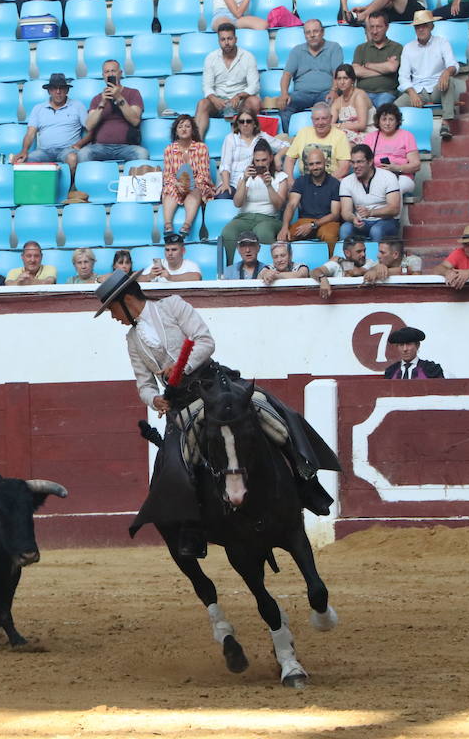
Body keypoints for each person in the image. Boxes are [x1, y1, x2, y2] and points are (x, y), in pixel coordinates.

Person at [93, 267, 339, 560]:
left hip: (215, 386)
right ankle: (192, 527)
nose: (113, 316)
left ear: (125, 300)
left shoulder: (172, 305)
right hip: (183, 404)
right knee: (176, 464)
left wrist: (180, 368)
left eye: (112, 309)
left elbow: (205, 341)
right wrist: (155, 399)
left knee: (275, 414)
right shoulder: (133, 341)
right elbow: (143, 383)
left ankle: (307, 482)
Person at [396, 11, 458, 140]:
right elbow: (403, 76)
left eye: (424, 25)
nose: (421, 29)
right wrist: (412, 93)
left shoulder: (442, 42)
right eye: (418, 26)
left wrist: (446, 72)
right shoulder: (408, 48)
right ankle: (398, 138)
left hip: (438, 87)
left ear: (431, 26)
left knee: (449, 81)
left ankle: (446, 123)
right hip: (417, 90)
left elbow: (453, 64)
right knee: (394, 107)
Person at [76, 60, 150, 165]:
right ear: (103, 75)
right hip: (100, 147)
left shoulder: (133, 93)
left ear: (120, 73)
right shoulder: (97, 98)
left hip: (126, 147)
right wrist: (102, 102)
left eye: (113, 71)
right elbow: (89, 126)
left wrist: (118, 97)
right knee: (83, 153)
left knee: (142, 153)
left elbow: (135, 120)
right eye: (107, 72)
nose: (110, 74)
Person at [13, 74, 86, 179]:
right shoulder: (38, 108)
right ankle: (36, 192)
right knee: (22, 161)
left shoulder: (78, 106)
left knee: (73, 158)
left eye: (61, 88)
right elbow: (30, 133)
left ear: (67, 90)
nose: (58, 91)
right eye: (54, 88)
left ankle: (69, 191)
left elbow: (91, 128)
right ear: (49, 91)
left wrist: (80, 144)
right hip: (45, 151)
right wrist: (24, 150)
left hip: (68, 150)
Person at [219, 141, 290, 248]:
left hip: (269, 218)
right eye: (257, 161)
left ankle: (265, 264)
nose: (260, 164)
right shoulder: (245, 177)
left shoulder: (280, 177)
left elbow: (279, 206)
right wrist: (244, 180)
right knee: (228, 232)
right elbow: (237, 203)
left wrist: (269, 186)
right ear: (253, 160)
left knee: (263, 232)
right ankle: (231, 264)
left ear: (271, 158)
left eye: (264, 160)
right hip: (245, 217)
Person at [195, 26, 262, 139]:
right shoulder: (211, 58)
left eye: (229, 39)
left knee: (255, 101)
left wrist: (239, 96)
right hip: (218, 102)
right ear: (219, 41)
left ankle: (250, 141)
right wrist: (214, 99)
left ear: (236, 39)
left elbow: (254, 86)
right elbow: (207, 86)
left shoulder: (248, 57)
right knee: (202, 104)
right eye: (223, 39)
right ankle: (197, 145)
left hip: (240, 102)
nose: (226, 42)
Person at [279, 19, 343, 131]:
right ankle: (289, 141)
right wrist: (284, 94)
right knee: (285, 106)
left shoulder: (334, 48)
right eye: (308, 32)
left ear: (322, 32)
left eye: (315, 31)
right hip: (302, 94)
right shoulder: (297, 51)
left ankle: (330, 139)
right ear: (304, 35)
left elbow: (337, 73)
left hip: (326, 93)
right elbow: (287, 75)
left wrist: (333, 90)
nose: (312, 35)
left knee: (335, 104)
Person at [160, 114, 214, 239]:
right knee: (169, 188)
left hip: (196, 183)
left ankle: (187, 225)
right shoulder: (169, 149)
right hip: (177, 184)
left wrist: (190, 184)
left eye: (187, 126)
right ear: (176, 131)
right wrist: (177, 184)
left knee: (196, 190)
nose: (184, 129)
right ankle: (168, 225)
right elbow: (168, 174)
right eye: (180, 127)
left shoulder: (201, 148)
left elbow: (204, 174)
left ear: (193, 130)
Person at [280, 146, 341, 251]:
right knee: (284, 237)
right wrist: (285, 227)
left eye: (318, 163)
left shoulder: (334, 183)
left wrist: (313, 225)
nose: (315, 167)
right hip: (305, 220)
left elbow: (335, 215)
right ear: (307, 166)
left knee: (329, 236)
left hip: (327, 222)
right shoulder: (300, 181)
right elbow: (291, 205)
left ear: (325, 162)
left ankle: (330, 264)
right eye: (311, 164)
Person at [338, 143, 400, 242]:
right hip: (361, 222)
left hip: (385, 221)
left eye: (359, 162)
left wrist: (371, 213)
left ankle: (376, 257)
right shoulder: (346, 181)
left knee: (376, 231)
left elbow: (394, 209)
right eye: (353, 162)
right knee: (345, 228)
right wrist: (353, 218)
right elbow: (345, 212)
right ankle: (344, 257)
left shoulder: (388, 177)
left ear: (370, 162)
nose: (355, 166)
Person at [216, 114, 289, 198]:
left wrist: (278, 156)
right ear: (238, 124)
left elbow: (286, 146)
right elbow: (225, 165)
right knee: (222, 196)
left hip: (254, 183)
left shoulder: (262, 136)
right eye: (241, 121)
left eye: (249, 121)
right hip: (233, 183)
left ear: (254, 123)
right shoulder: (230, 138)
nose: (245, 124)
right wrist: (226, 184)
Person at [360, 103, 418, 197]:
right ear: (378, 121)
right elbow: (363, 162)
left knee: (394, 188)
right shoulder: (370, 137)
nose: (387, 123)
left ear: (397, 121)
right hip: (377, 177)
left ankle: (393, 211)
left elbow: (416, 165)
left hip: (402, 177)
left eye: (391, 119)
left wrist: (397, 168)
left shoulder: (407, 136)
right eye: (384, 119)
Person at [284, 103, 351, 179]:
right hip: (306, 182)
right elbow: (289, 159)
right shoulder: (303, 133)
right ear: (312, 119)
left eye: (324, 118)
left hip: (331, 181)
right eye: (317, 119)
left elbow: (344, 167)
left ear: (331, 118)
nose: (320, 123)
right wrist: (290, 181)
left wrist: (325, 184)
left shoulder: (340, 136)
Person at [351, 13, 401, 109]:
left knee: (383, 111)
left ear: (387, 27)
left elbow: (392, 68)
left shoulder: (396, 47)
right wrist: (384, 69)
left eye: (378, 27)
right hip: (363, 93)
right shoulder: (361, 48)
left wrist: (368, 65)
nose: (374, 31)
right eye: (372, 27)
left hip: (387, 93)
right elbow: (355, 71)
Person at [310, 233, 373, 297]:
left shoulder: (368, 262)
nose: (363, 254)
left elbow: (356, 272)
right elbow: (314, 271)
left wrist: (341, 260)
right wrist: (323, 279)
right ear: (347, 253)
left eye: (364, 251)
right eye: (359, 251)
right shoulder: (336, 264)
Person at [328, 64, 374, 145]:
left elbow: (362, 125)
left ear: (352, 80)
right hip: (348, 134)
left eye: (345, 78)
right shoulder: (337, 102)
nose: (342, 82)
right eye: (339, 79)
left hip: (367, 134)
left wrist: (338, 126)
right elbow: (329, 124)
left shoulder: (359, 95)